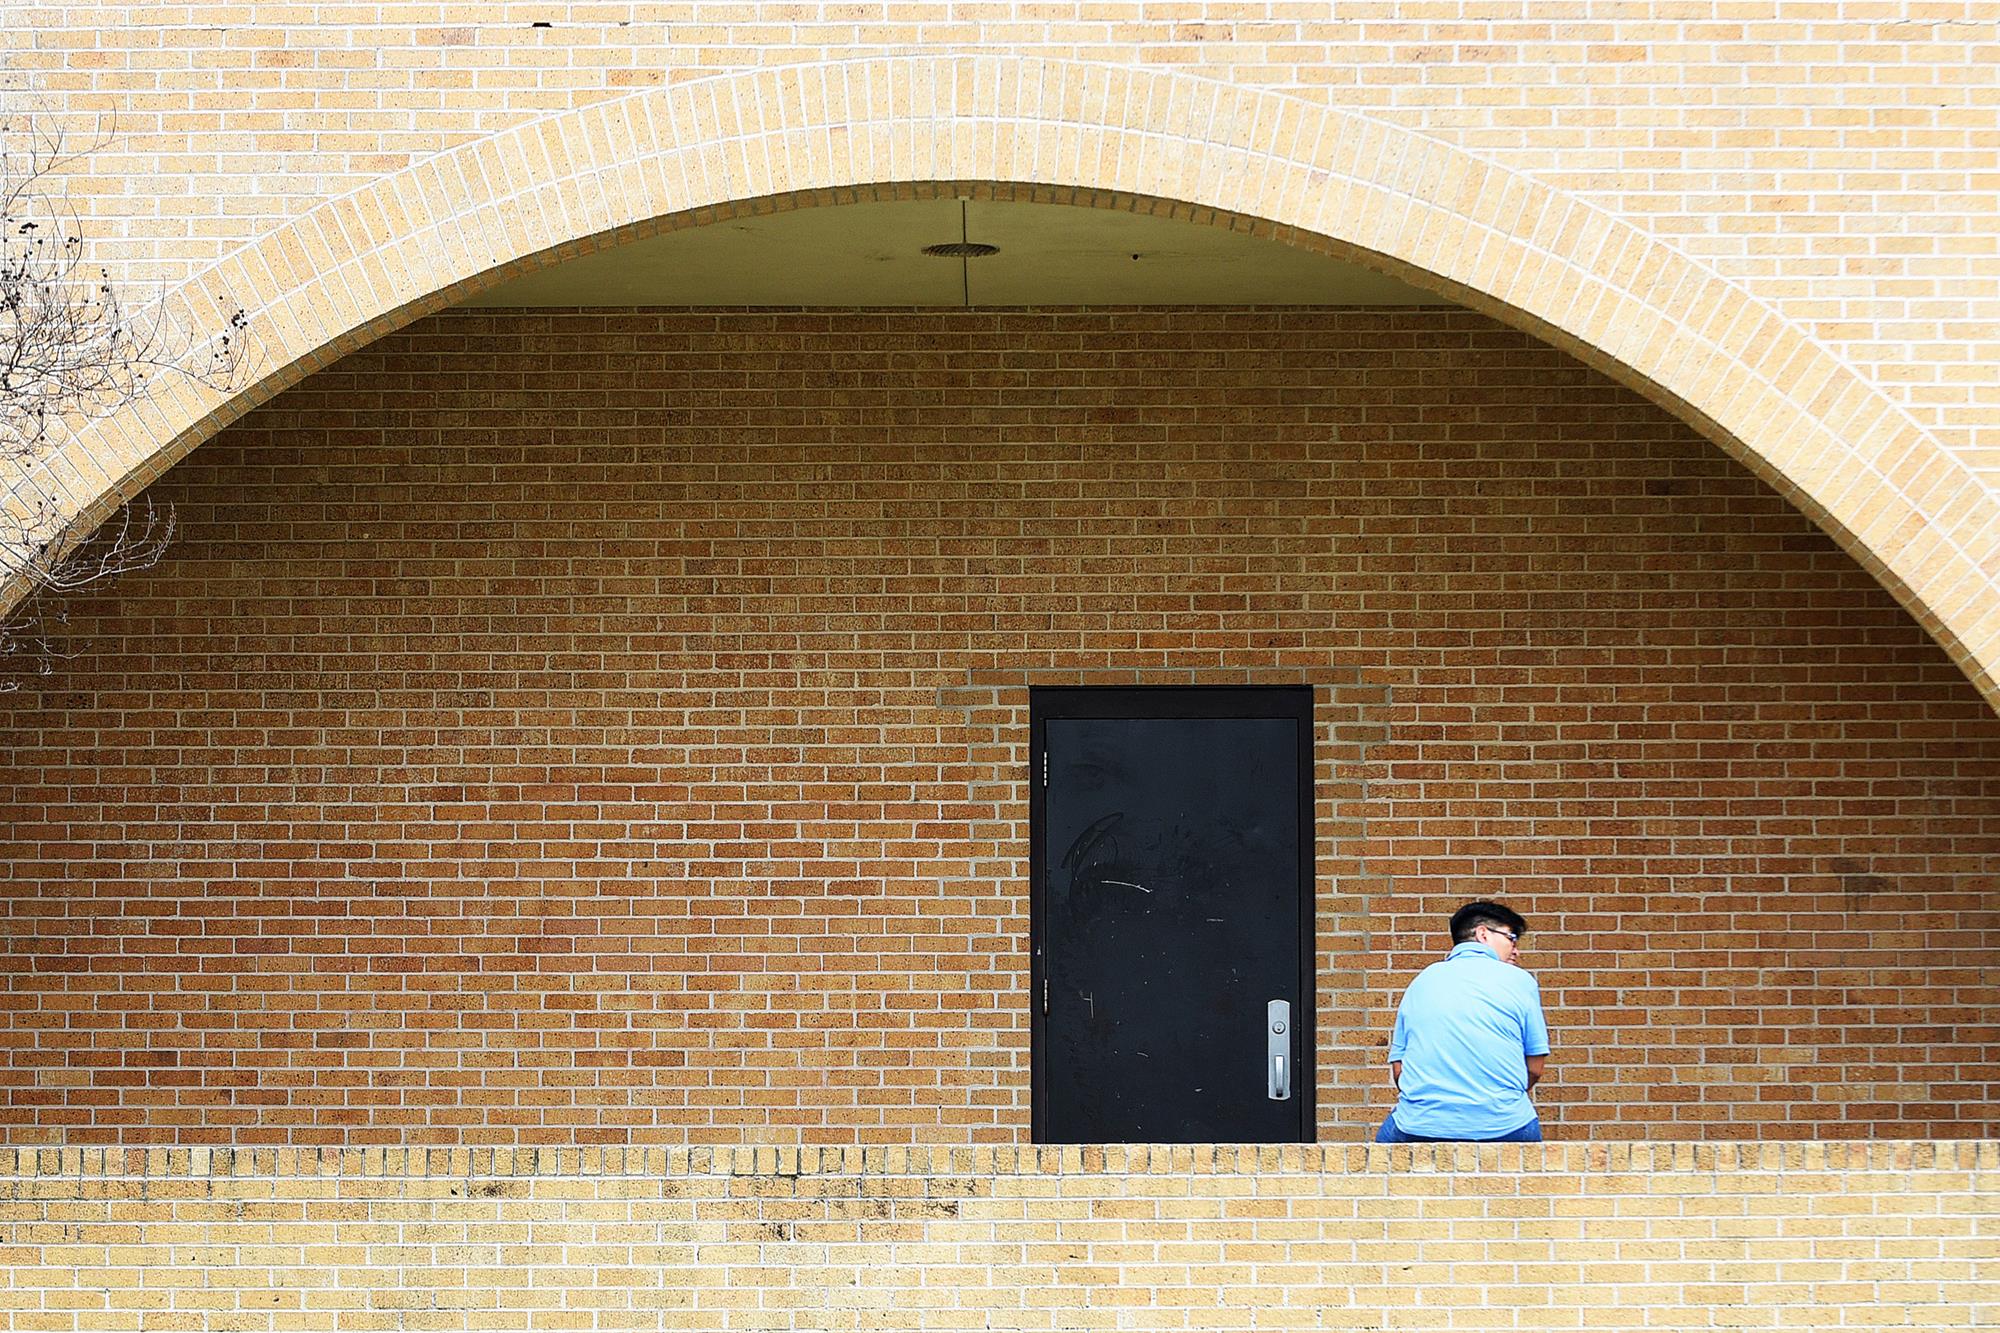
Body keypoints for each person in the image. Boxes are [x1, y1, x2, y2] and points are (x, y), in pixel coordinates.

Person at [1377, 900, 1549, 1143]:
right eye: (1512, 937)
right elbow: (1535, 1067)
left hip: (1420, 1126)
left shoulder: (1421, 982)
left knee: (1379, 1159)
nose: (1516, 949)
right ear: (1483, 934)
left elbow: (1399, 1068)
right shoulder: (1520, 981)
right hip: (1506, 1126)